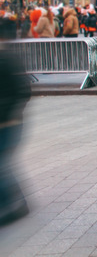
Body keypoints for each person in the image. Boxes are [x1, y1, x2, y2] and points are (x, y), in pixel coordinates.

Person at [0, 26, 31, 226]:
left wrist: (6, 113)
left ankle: (16, 204)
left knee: (2, 166)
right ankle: (16, 201)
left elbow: (22, 90)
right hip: (8, 121)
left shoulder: (6, 59)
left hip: (8, 123)